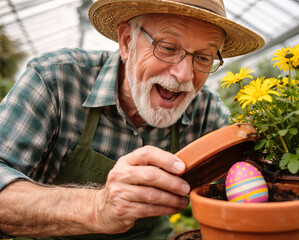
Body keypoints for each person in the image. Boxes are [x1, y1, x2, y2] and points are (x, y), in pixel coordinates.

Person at [0, 0, 264, 239]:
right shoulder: (56, 79)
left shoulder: (205, 110)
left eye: (204, 58)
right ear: (126, 42)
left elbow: (253, 180)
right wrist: (96, 208)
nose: (184, 74)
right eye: (168, 47)